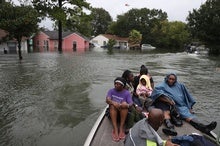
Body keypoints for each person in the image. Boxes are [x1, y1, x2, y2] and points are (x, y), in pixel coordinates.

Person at [151, 73, 217, 137]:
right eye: (170, 79)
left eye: (173, 79)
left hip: (181, 105)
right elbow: (157, 94)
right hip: (172, 106)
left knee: (188, 115)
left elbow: (186, 96)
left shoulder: (180, 86)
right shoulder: (162, 86)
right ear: (167, 78)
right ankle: (171, 128)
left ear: (175, 80)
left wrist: (189, 107)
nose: (171, 80)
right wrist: (169, 101)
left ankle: (203, 127)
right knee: (172, 113)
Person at [106, 77, 133, 142]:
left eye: (118, 84)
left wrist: (126, 105)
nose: (116, 85)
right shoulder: (111, 91)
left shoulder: (127, 93)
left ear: (122, 86)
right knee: (112, 106)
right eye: (115, 83)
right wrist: (113, 103)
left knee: (124, 105)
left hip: (123, 114)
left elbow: (131, 103)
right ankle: (115, 129)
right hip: (112, 113)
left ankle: (121, 128)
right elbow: (107, 100)